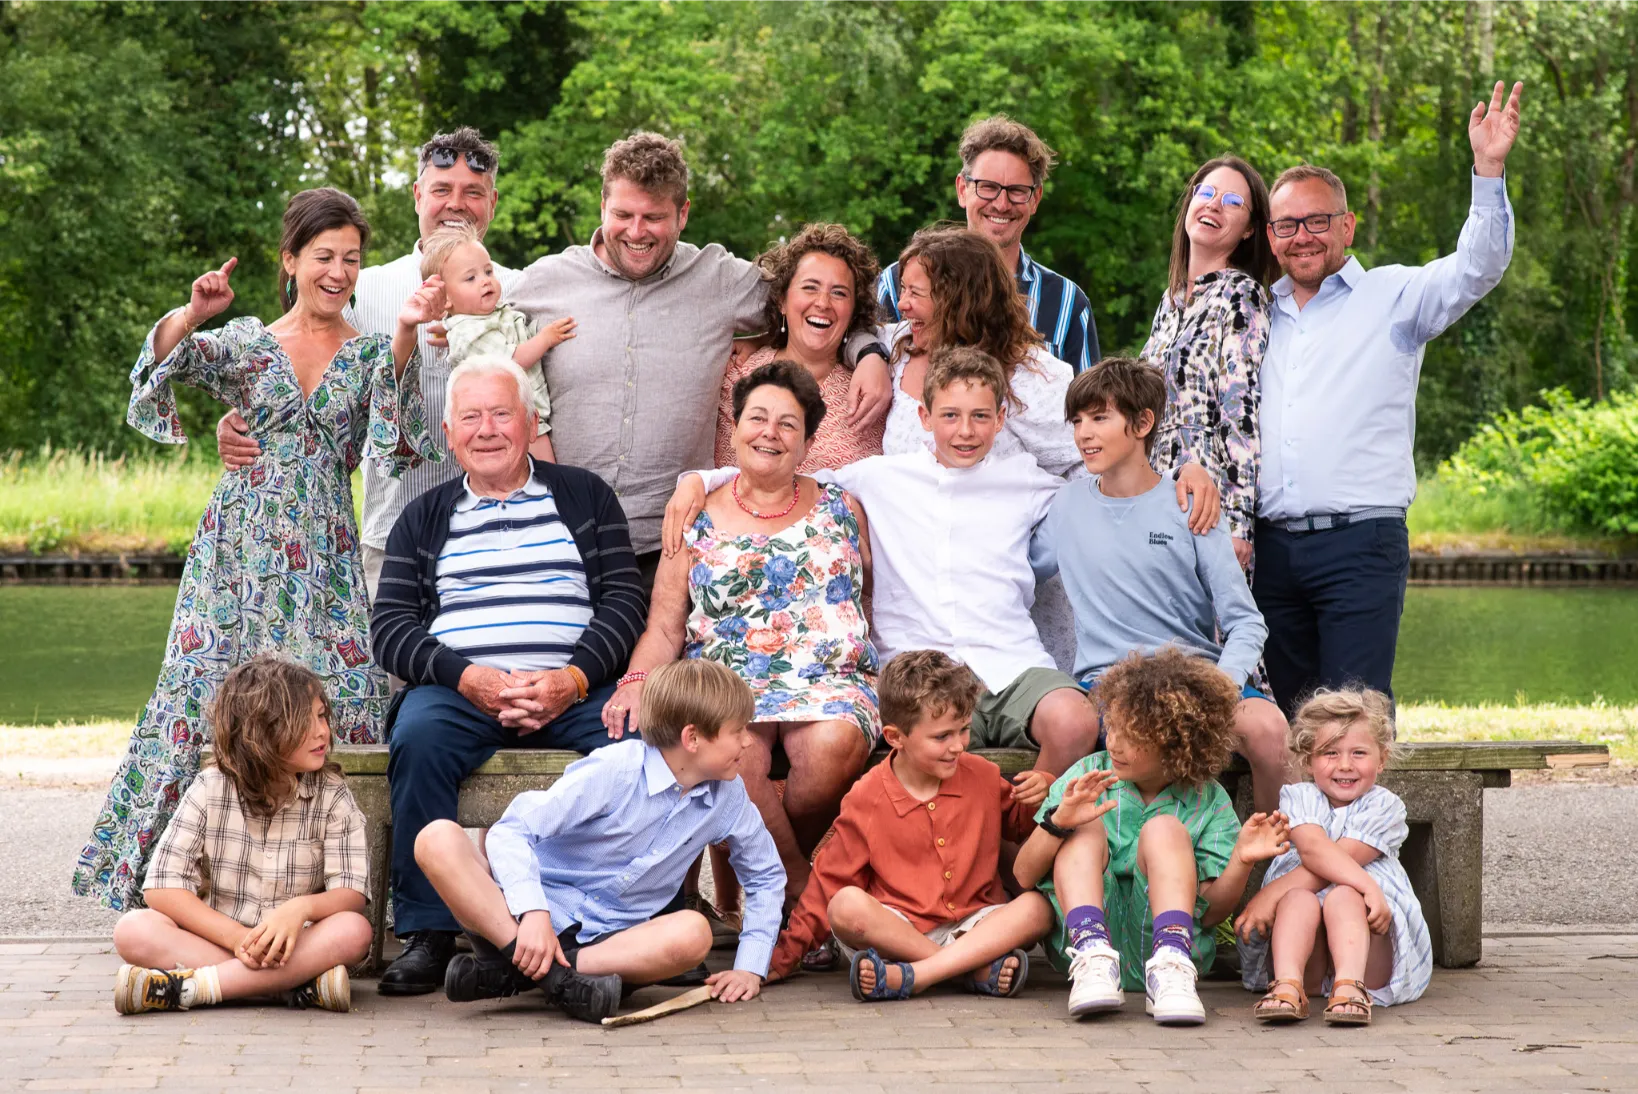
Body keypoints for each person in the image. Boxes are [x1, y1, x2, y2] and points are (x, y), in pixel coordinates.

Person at [72, 188, 441, 911]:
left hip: (326, 549)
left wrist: (404, 334)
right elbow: (157, 375)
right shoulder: (245, 342)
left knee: (341, 691)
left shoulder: (367, 353)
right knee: (202, 688)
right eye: (324, 257)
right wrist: (192, 313)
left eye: (352, 260)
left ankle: (343, 884)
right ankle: (165, 884)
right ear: (291, 261)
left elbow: (404, 433)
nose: (338, 272)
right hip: (238, 545)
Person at [671, 347, 1128, 777]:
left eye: (980, 417)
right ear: (925, 417)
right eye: (950, 415)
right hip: (917, 670)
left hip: (1009, 659)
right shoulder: (880, 477)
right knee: (931, 750)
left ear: (1001, 418)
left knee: (1075, 722)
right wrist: (700, 478)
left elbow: (1107, 493)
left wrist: (1187, 477)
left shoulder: (1027, 482)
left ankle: (1029, 836)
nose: (965, 431)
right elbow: (784, 474)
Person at [369, 355, 647, 995]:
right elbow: (390, 629)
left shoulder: (583, 495)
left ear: (530, 421)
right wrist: (468, 679)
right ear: (449, 434)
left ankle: (613, 919)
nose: (487, 429)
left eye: (501, 414)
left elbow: (624, 603)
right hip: (461, 692)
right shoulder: (424, 516)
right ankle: (429, 932)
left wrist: (571, 681)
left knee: (633, 748)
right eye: (471, 416)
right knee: (418, 740)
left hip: (575, 686)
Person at [505, 132, 892, 578]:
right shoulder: (545, 282)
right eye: (623, 214)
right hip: (562, 541)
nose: (636, 231)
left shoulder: (718, 279)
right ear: (602, 207)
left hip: (674, 544)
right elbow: (476, 330)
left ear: (683, 214)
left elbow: (819, 302)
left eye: (654, 217)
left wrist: (869, 354)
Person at [1255, 81, 1524, 715]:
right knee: (1285, 721)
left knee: (1355, 720)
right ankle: (1298, 821)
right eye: (1287, 224)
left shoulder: (1395, 297)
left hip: (1360, 544)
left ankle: (1359, 821)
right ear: (1270, 236)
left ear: (1346, 224)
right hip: (1268, 553)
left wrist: (1488, 170)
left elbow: (1477, 268)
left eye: (1317, 221)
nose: (1303, 237)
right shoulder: (1252, 316)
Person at [609, 360, 879, 908]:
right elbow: (664, 622)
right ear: (733, 431)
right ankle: (800, 892)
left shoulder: (843, 507)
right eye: (757, 418)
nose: (770, 433)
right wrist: (637, 679)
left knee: (831, 748)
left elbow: (871, 594)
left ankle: (771, 887)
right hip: (724, 679)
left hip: (830, 678)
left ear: (806, 444)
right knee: (737, 759)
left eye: (787, 424)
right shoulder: (693, 515)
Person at [216, 126, 516, 599]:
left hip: (501, 539)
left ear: (492, 203)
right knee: (389, 672)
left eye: (472, 193)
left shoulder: (518, 291)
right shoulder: (361, 286)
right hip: (391, 539)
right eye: (442, 190)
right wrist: (240, 416)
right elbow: (291, 357)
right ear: (418, 196)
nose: (456, 204)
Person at [411, 659, 785, 1022]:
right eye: (738, 730)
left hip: (611, 946)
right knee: (436, 838)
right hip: (521, 921)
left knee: (693, 933)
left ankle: (520, 973)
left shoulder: (728, 796)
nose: (748, 741)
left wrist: (750, 968)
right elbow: (512, 830)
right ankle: (558, 981)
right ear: (693, 738)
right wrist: (533, 912)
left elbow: (765, 875)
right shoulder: (616, 770)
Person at [1029, 359, 1290, 813]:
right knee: (1145, 738)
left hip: (1196, 675)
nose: (1083, 434)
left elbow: (1246, 622)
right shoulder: (1067, 505)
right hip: (1112, 682)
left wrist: (1221, 689)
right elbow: (1021, 573)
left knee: (1270, 730)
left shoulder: (1190, 502)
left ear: (1142, 423)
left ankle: (1274, 862)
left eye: (1099, 418)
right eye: (1077, 421)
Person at [1014, 649, 1291, 1026]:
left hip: (1170, 950)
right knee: (1082, 824)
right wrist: (1058, 822)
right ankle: (1093, 953)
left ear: (1175, 743)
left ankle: (1171, 965)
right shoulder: (1085, 777)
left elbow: (1212, 913)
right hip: (1084, 951)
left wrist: (1241, 861)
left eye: (1131, 736)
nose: (1112, 743)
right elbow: (1023, 875)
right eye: (1111, 727)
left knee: (1164, 828)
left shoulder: (1207, 801)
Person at [768, 650, 1053, 1001]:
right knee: (845, 906)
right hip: (897, 931)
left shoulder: (983, 775)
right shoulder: (867, 796)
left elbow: (1022, 826)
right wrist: (782, 960)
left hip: (975, 925)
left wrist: (1040, 793)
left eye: (964, 730)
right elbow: (828, 883)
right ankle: (970, 970)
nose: (958, 746)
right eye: (942, 737)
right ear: (894, 736)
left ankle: (917, 975)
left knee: (1037, 908)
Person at [108, 657, 372, 1015]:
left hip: (296, 945)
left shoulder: (333, 794)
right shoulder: (210, 787)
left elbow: (351, 894)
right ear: (259, 733)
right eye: (305, 721)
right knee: (133, 929)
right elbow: (162, 887)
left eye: (322, 716)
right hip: (222, 941)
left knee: (353, 930)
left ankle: (191, 988)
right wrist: (237, 939)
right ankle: (290, 987)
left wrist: (300, 909)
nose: (322, 731)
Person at [1237, 689, 1431, 1027]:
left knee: (1345, 894)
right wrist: (1281, 894)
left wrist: (1367, 887)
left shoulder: (1384, 807)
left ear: (1381, 758)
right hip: (1308, 951)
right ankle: (1288, 985)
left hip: (1368, 947)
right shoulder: (1299, 797)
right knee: (1298, 899)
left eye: (1359, 753)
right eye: (1330, 753)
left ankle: (1350, 986)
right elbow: (1311, 847)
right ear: (1308, 760)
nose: (1345, 765)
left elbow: (1336, 861)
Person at [877, 114, 1099, 372]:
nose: (1001, 204)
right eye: (988, 187)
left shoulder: (1067, 302)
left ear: (1035, 198)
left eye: (1017, 190)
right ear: (962, 190)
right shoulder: (896, 285)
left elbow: (1090, 406)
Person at [1142, 155, 1276, 569]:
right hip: (1155, 494)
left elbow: (1243, 412)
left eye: (1233, 201)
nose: (1214, 205)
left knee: (1199, 632)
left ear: (1250, 229)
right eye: (1206, 192)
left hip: (1208, 505)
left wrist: (1238, 524)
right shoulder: (1170, 302)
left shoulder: (1241, 295)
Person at [715, 223, 886, 471]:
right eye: (810, 287)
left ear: (853, 311)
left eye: (839, 293)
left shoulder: (871, 389)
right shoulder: (735, 373)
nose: (823, 303)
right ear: (782, 300)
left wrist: (874, 357)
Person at [420, 223, 576, 462]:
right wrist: (546, 338)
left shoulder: (492, 314)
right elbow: (512, 361)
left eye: (488, 271)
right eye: (471, 278)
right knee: (548, 479)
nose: (485, 281)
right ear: (446, 299)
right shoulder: (470, 332)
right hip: (513, 425)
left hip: (526, 418)